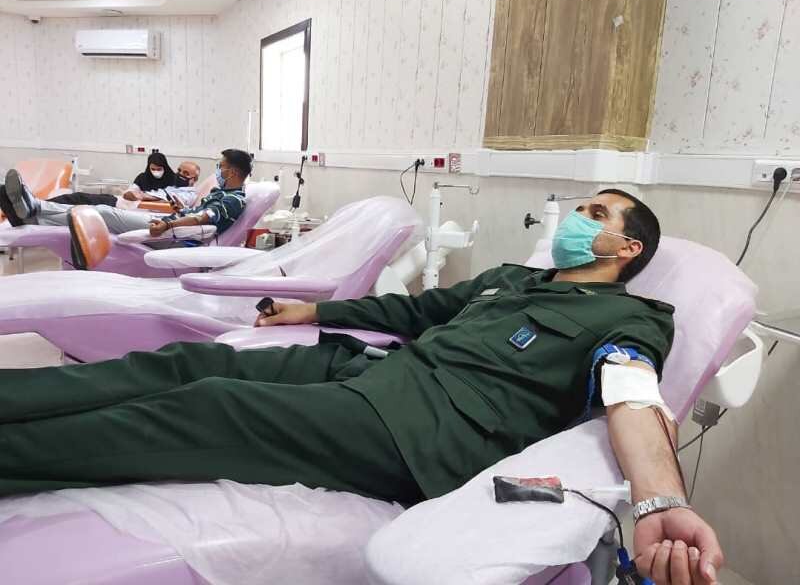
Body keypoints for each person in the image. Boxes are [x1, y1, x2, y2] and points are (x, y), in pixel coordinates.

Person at [0, 190, 722, 585]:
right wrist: (312, 313)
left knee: (209, 407)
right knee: (195, 363)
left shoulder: (632, 316)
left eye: (596, 215)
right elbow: (415, 313)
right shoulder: (512, 279)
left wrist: (661, 501)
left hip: (427, 433)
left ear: (627, 248)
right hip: (369, 372)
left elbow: (633, 396)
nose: (577, 220)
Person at [0, 150, 249, 239]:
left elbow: (204, 218)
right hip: (167, 221)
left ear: (233, 172)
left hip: (173, 232)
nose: (218, 170)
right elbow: (198, 213)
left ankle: (34, 210)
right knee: (92, 208)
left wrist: (167, 224)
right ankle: (33, 211)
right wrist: (175, 213)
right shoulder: (221, 191)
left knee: (102, 213)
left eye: (221, 166)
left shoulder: (233, 200)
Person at [47, 161, 202, 208]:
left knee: (78, 198)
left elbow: (166, 201)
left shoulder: (188, 194)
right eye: (179, 170)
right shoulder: (174, 187)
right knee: (78, 198)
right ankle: (41, 205)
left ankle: (40, 206)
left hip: (127, 207)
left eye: (185, 173)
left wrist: (139, 195)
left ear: (194, 179)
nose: (179, 174)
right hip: (124, 202)